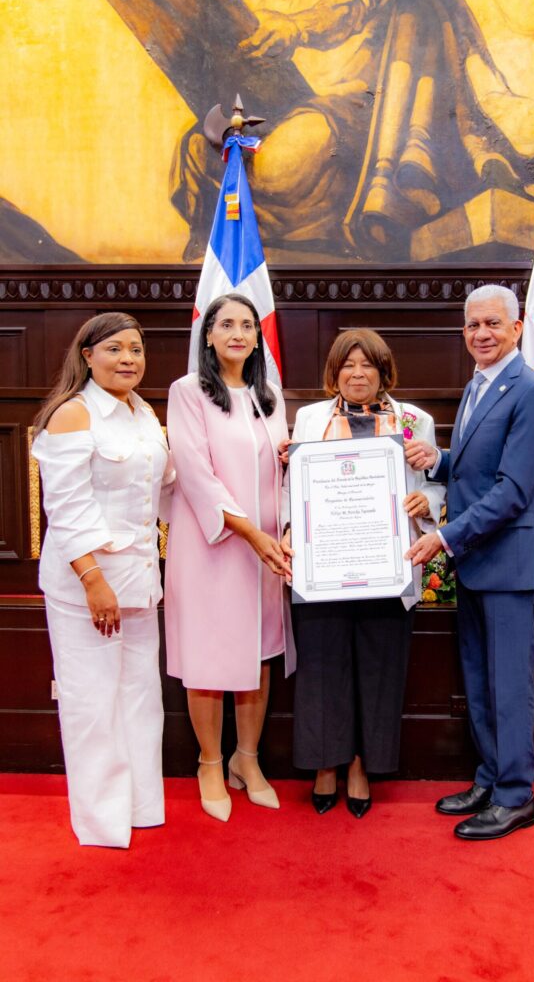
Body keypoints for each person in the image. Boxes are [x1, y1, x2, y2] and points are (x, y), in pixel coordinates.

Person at [405, 284, 534, 840]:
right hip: (477, 563)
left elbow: (514, 489)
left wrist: (444, 538)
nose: (482, 334)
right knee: (480, 681)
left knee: (510, 685)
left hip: (509, 565)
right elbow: (479, 469)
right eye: (472, 326)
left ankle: (517, 796)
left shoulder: (533, 389)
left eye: (493, 324)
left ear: (517, 328)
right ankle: (490, 779)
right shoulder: (476, 385)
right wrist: (440, 460)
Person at [283, 328, 445, 817]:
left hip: (388, 566)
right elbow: (292, 483)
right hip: (322, 565)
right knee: (323, 666)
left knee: (379, 668)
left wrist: (428, 502)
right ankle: (325, 764)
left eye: (368, 365)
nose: (358, 374)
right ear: (334, 373)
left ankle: (360, 764)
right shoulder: (308, 418)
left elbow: (437, 485)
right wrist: (291, 528)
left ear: (383, 371)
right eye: (348, 365)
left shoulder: (416, 420)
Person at [31, 312, 174, 848]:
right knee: (92, 702)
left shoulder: (142, 413)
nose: (128, 360)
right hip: (87, 588)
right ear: (87, 354)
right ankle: (101, 823)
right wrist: (94, 581)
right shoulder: (73, 415)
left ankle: (141, 808)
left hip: (139, 581)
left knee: (140, 698)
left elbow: (164, 488)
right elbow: (66, 509)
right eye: (115, 349)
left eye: (136, 349)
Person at [164, 293, 295, 823]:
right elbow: (195, 472)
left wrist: (283, 530)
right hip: (213, 546)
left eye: (248, 325)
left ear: (257, 337)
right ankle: (210, 762)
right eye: (227, 325)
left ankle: (248, 758)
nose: (239, 333)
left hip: (266, 550)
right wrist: (249, 533)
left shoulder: (270, 393)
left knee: (259, 651)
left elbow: (283, 472)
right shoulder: (189, 391)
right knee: (209, 657)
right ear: (209, 334)